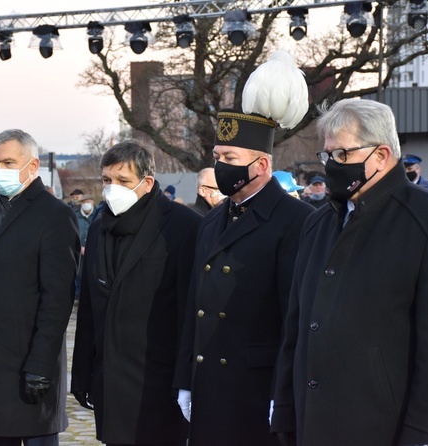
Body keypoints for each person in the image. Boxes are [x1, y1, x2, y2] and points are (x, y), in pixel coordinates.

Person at [271, 98, 428, 446]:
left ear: (381, 156)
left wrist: (425, 434)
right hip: (312, 422)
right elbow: (297, 325)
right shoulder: (317, 223)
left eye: (342, 155)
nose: (331, 166)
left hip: (383, 427)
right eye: (327, 156)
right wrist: (285, 409)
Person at [174, 51, 314, 446]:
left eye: (230, 158)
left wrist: (283, 392)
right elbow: (194, 305)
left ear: (262, 166)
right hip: (210, 381)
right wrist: (185, 378)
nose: (220, 166)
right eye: (217, 157)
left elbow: (295, 316)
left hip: (256, 387)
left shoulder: (296, 220)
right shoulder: (214, 219)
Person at [0, 129, 80, 445]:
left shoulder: (54, 215)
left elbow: (57, 301)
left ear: (32, 166)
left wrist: (40, 366)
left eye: (9, 162)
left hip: (29, 368)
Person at [71, 140, 201, 445]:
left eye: (123, 181)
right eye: (107, 180)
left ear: (147, 183)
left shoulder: (184, 226)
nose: (112, 188)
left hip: (157, 379)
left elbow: (189, 309)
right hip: (110, 378)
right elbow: (89, 306)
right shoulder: (101, 225)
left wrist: (187, 381)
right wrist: (82, 373)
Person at [75, 194, 95, 301]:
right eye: (84, 202)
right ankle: (78, 295)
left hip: (93, 251)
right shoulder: (75, 216)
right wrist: (79, 246)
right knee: (78, 274)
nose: (86, 204)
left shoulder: (97, 215)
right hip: (79, 251)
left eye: (89, 201)